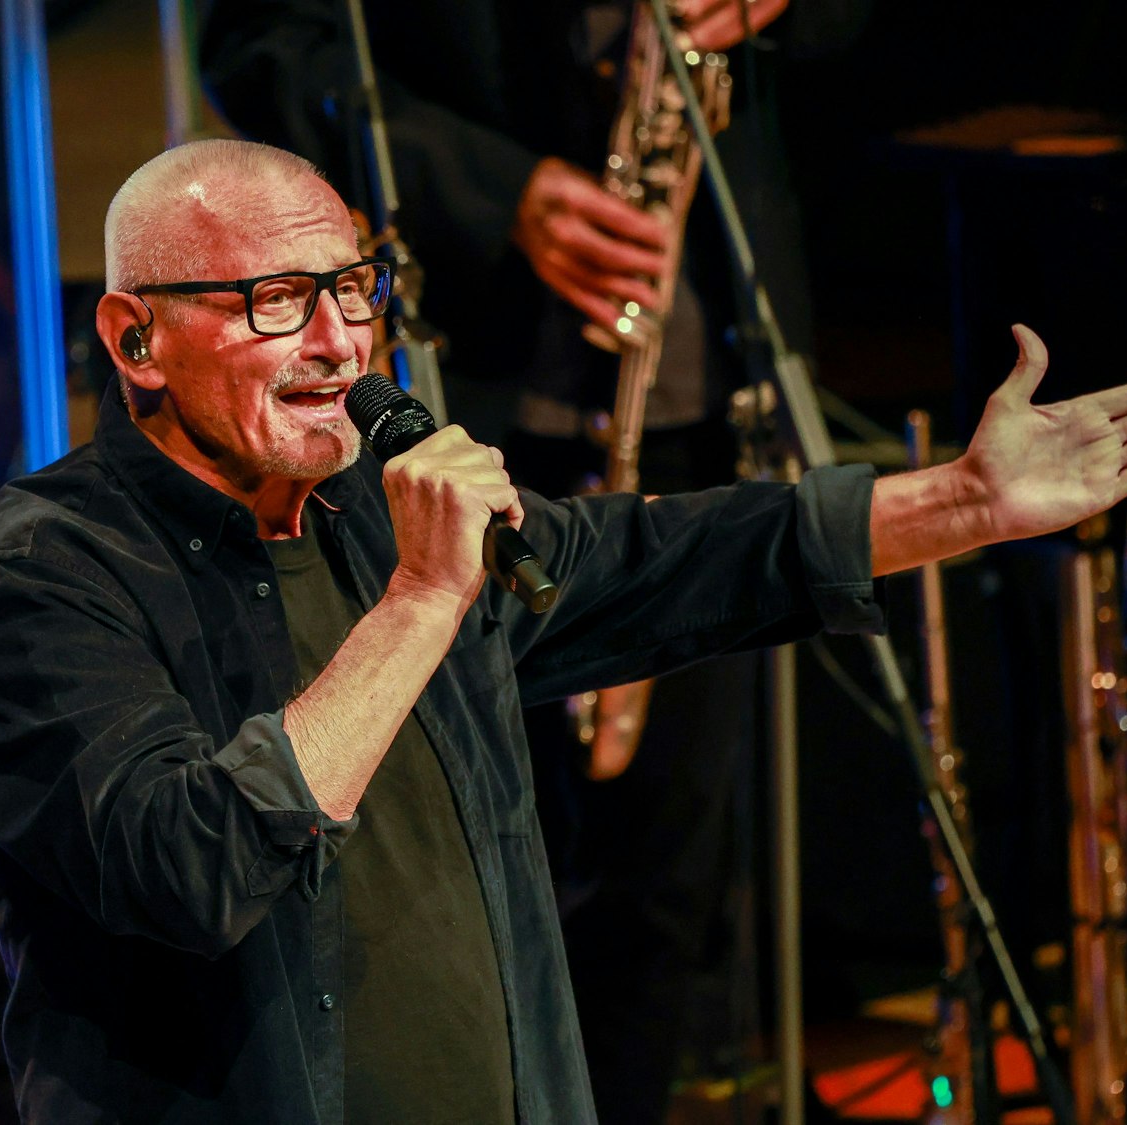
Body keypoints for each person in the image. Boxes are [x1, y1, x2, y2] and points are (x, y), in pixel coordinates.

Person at [0, 138, 1127, 1123]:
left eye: (352, 288)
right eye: (275, 299)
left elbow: (662, 562)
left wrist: (963, 501)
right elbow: (187, 867)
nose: (336, 343)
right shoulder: (48, 572)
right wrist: (422, 601)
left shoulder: (381, 513)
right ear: (137, 338)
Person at [193, 4, 872, 1114]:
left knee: (665, 877)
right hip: (476, 382)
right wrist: (496, 191)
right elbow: (262, 44)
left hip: (700, 384)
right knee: (484, 870)